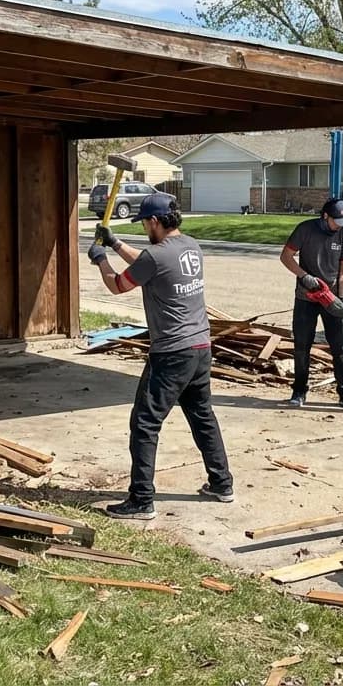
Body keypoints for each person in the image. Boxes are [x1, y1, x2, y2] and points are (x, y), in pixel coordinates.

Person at [89, 195, 234, 520]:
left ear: (154, 222)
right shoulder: (190, 246)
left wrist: (101, 258)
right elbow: (146, 261)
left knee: (144, 423)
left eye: (144, 222)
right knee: (202, 416)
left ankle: (141, 500)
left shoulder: (155, 257)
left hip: (171, 353)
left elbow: (118, 285)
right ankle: (222, 483)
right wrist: (114, 243)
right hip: (200, 348)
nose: (144, 227)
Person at [279, 198, 343, 410]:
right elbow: (286, 256)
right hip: (306, 296)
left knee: (340, 347)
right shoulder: (305, 230)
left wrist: (341, 301)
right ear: (325, 217)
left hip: (331, 298)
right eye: (336, 221)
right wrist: (304, 276)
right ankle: (299, 390)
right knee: (302, 345)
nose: (339, 226)